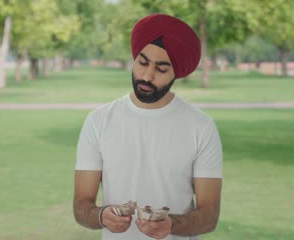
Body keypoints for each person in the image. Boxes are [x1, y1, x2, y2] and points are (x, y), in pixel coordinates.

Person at [73, 13, 223, 240]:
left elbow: (209, 216)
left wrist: (171, 224)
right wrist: (102, 216)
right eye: (142, 63)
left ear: (176, 74)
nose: (147, 75)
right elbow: (82, 207)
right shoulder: (98, 121)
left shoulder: (201, 126)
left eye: (161, 69)